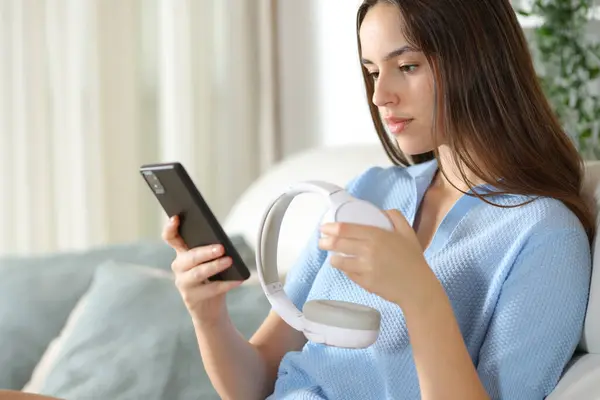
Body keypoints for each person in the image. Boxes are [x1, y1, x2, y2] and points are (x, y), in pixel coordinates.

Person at [162, 0, 595, 399]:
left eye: (406, 66)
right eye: (372, 71)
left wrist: (420, 295)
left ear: (480, 61)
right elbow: (257, 381)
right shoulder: (369, 190)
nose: (379, 95)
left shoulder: (545, 236)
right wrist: (209, 314)